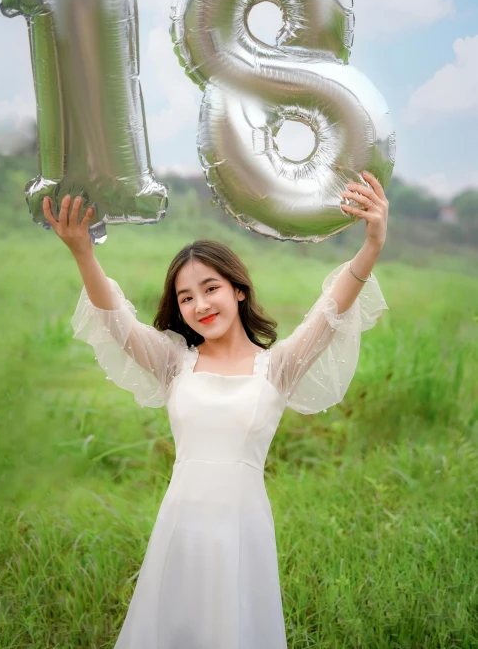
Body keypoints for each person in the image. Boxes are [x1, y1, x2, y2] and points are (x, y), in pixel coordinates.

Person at [42, 170, 389, 649]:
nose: (200, 304)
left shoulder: (278, 368)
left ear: (238, 290)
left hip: (241, 527)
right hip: (181, 524)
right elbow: (117, 321)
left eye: (210, 288)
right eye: (186, 297)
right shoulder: (172, 363)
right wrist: (83, 251)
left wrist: (371, 244)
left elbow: (330, 309)